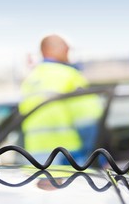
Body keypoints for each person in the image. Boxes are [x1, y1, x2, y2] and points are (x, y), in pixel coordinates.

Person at [19, 34, 102, 165]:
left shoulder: (30, 80)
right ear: (54, 49)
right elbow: (87, 120)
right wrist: (95, 155)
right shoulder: (69, 75)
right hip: (68, 156)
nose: (68, 53)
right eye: (67, 49)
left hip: (34, 158)